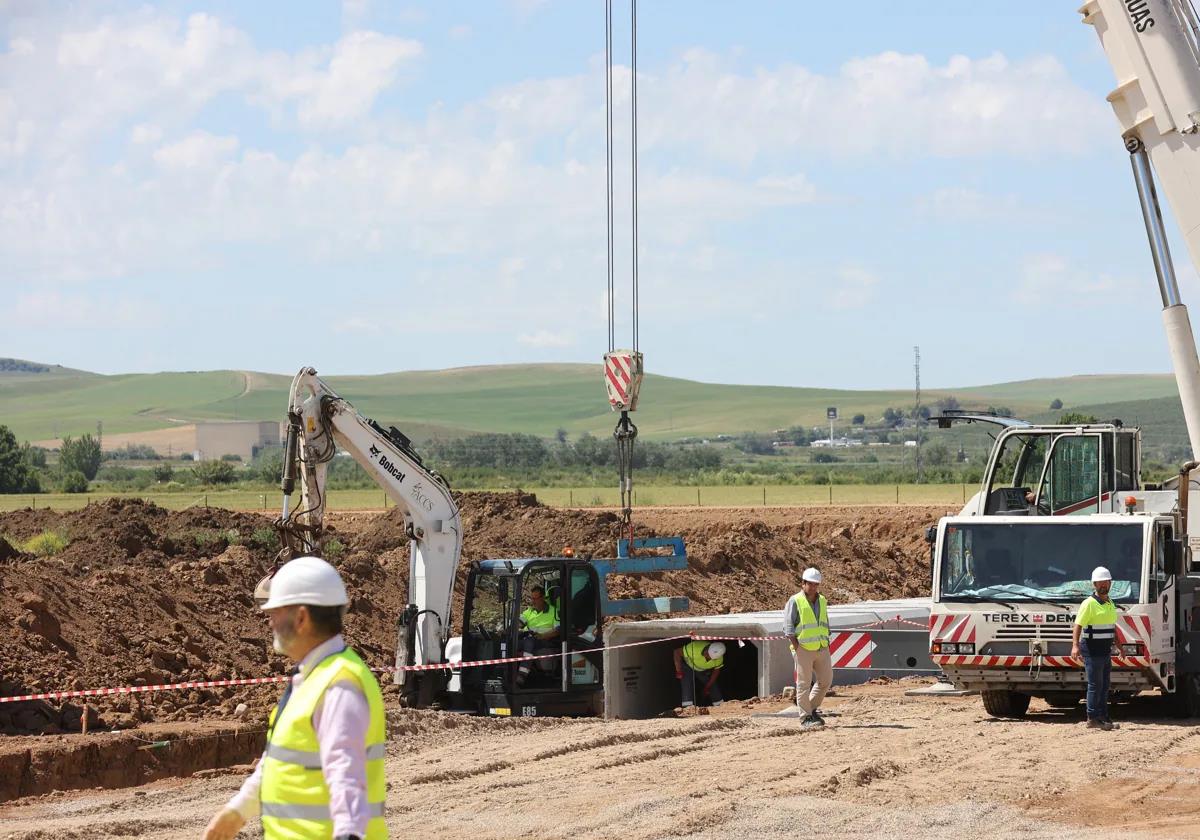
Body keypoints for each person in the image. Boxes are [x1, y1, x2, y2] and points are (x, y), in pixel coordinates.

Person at [203, 556, 386, 840]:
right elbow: (278, 760)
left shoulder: (339, 685)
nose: (270, 621)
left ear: (301, 617)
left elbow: (347, 779)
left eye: (276, 612)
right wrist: (237, 812)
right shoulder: (311, 677)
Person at [1072, 565, 1120, 731]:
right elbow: (1078, 625)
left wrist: (1120, 647)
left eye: (1105, 582)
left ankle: (1103, 717)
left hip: (1105, 650)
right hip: (1092, 650)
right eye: (1099, 583)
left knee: (1105, 684)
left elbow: (1112, 627)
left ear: (1110, 583)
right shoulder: (1089, 603)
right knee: (1095, 685)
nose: (1103, 585)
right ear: (1094, 584)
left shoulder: (1110, 603)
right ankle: (1092, 718)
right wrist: (1075, 646)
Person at [785, 567, 832, 728]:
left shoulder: (822, 600)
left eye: (815, 584)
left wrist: (826, 641)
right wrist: (797, 647)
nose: (812, 587)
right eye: (809, 584)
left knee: (825, 680)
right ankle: (805, 718)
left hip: (821, 647)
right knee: (803, 684)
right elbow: (788, 628)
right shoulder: (795, 600)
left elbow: (824, 622)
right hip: (803, 648)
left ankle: (810, 709)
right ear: (803, 583)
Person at [517, 585, 559, 685]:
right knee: (512, 643)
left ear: (543, 598)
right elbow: (519, 623)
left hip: (546, 641)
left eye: (536, 598)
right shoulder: (529, 611)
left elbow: (558, 631)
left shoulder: (554, 611)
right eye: (532, 598)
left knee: (529, 642)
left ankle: (522, 674)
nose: (534, 601)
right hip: (530, 640)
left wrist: (542, 636)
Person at [673, 640, 725, 708]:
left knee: (712, 685)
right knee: (687, 684)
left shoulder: (719, 659)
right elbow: (677, 652)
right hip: (688, 665)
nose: (706, 655)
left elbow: (716, 672)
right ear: (709, 646)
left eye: (709, 657)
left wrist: (708, 686)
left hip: (702, 670)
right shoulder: (694, 647)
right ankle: (687, 708)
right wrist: (678, 670)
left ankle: (720, 706)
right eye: (707, 653)